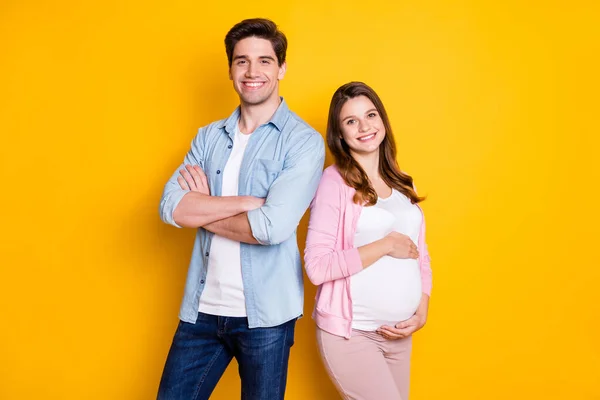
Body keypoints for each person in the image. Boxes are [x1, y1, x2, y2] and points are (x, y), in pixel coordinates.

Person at [157, 18, 325, 400]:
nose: (253, 72)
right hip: (200, 309)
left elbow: (271, 228)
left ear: (281, 68)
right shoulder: (208, 136)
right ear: (231, 69)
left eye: (265, 61)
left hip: (266, 317)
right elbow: (171, 208)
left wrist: (202, 210)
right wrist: (245, 204)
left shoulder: (303, 142)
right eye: (242, 61)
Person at [304, 81, 432, 400]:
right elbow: (317, 267)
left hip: (400, 335)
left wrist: (422, 307)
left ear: (382, 120)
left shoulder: (403, 183)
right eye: (351, 121)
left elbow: (421, 255)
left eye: (370, 115)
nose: (365, 126)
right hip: (352, 335)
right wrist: (385, 245)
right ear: (340, 134)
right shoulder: (335, 183)